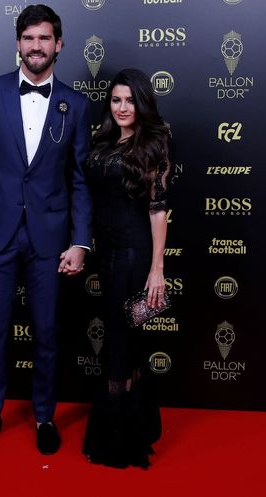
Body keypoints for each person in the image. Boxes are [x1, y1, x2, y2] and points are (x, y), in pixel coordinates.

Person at [0, 4, 92, 455]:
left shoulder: (77, 104)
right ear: (18, 43)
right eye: (29, 38)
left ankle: (44, 417)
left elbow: (80, 179)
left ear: (59, 44)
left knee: (47, 331)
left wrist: (79, 240)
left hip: (50, 239)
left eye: (45, 38)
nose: (36, 46)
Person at [82, 68, 171, 469]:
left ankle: (121, 441)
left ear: (142, 102)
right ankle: (135, 424)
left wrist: (157, 268)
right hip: (106, 252)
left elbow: (158, 210)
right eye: (116, 100)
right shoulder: (101, 141)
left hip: (133, 254)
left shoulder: (154, 143)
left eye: (129, 100)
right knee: (124, 341)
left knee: (121, 340)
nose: (122, 107)